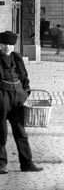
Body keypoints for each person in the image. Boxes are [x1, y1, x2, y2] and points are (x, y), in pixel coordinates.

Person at [0, 31, 43, 174]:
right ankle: (1, 165)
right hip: (2, 98)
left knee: (21, 132)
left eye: (10, 45)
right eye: (4, 44)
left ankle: (27, 163)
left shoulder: (17, 58)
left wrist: (25, 93)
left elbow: (24, 76)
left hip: (17, 98)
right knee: (1, 132)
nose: (7, 47)